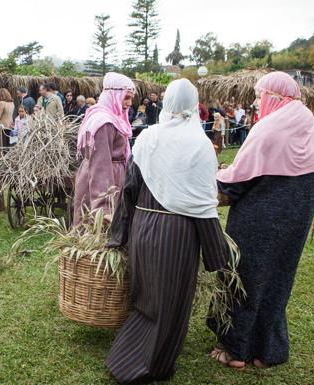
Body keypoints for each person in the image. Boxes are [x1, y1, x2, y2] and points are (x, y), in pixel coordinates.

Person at [106, 79, 230, 384]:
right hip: (178, 234)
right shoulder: (199, 145)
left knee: (145, 298)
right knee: (172, 304)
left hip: (143, 227)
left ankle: (124, 357)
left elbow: (128, 190)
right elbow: (203, 205)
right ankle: (152, 366)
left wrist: (118, 235)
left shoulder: (148, 138)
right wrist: (219, 256)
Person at [209, 72, 314, 370]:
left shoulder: (267, 129)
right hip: (295, 224)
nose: (255, 101)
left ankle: (236, 351)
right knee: (278, 283)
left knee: (244, 281)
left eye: (258, 94)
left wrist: (218, 177)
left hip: (256, 223)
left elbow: (237, 182)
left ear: (274, 98)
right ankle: (268, 352)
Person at [73, 72, 135, 225]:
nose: (129, 103)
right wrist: (104, 209)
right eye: (126, 97)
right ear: (114, 94)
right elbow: (101, 166)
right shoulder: (104, 123)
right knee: (96, 235)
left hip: (112, 179)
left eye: (131, 98)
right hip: (102, 185)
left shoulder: (113, 119)